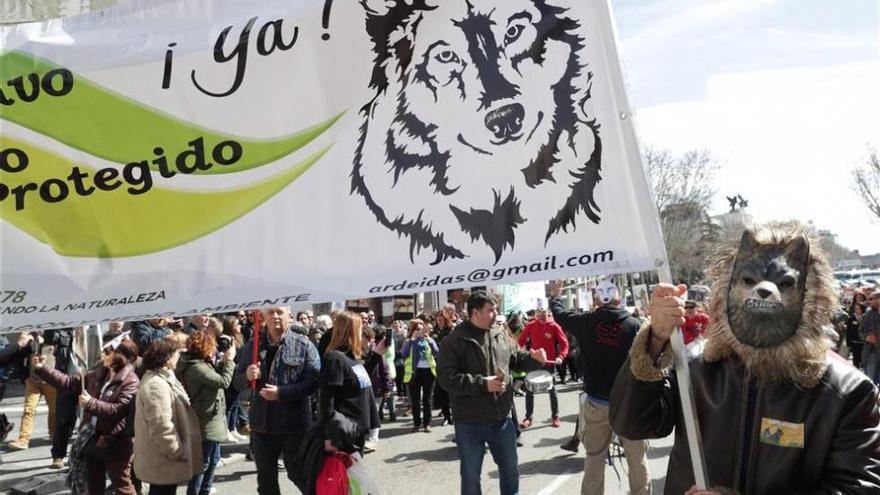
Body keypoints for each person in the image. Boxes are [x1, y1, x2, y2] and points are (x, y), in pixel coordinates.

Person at [610, 229, 880, 493]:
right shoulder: (695, 365)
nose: (764, 289)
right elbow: (631, 424)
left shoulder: (847, 392)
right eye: (748, 281)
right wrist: (655, 340)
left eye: (785, 283)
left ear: (810, 292)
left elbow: (858, 486)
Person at [437, 291, 547, 495]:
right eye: (491, 310)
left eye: (495, 309)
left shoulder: (501, 333)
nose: (496, 313)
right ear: (476, 313)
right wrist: (482, 384)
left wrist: (534, 358)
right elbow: (446, 378)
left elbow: (516, 359)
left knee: (510, 472)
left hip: (502, 418)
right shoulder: (454, 341)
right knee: (471, 479)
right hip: (469, 422)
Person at [549, 280, 649, 495]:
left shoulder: (586, 322)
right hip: (629, 404)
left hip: (597, 402)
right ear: (619, 299)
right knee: (636, 457)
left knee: (594, 457)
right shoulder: (635, 325)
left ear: (596, 301)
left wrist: (556, 295)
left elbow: (560, 315)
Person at [34, 335, 140, 495]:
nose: (103, 355)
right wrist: (43, 368)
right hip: (92, 439)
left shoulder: (130, 380)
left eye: (107, 352)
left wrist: (91, 403)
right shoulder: (98, 373)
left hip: (116, 442)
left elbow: (118, 410)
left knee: (122, 485)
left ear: (120, 357)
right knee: (93, 484)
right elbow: (69, 383)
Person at [233, 306, 320, 495]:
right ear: (263, 316)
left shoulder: (304, 344)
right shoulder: (253, 345)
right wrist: (247, 375)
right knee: (266, 483)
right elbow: (236, 382)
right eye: (270, 313)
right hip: (261, 426)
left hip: (294, 424)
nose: (275, 316)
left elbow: (314, 382)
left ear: (289, 316)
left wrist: (282, 392)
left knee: (300, 474)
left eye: (279, 312)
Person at [134, 337, 203, 495]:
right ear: (166, 358)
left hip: (163, 459)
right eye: (176, 353)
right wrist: (177, 451)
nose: (179, 356)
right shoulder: (156, 385)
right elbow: (161, 426)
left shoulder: (163, 378)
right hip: (163, 460)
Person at [176, 328, 236, 495]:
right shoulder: (195, 367)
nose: (214, 349)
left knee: (214, 459)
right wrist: (229, 360)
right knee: (203, 462)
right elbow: (223, 381)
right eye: (212, 346)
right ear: (204, 347)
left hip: (212, 417)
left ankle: (205, 489)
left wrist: (221, 362)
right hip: (205, 419)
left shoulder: (200, 362)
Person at [319, 311, 374, 455]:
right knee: (350, 476)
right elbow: (326, 401)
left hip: (356, 431)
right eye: (360, 328)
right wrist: (328, 436)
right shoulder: (335, 359)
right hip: (343, 433)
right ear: (351, 331)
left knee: (354, 476)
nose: (362, 332)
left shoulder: (351, 357)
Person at [517, 308, 568, 429]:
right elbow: (520, 341)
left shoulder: (554, 326)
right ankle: (528, 417)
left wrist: (561, 356)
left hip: (549, 363)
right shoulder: (530, 326)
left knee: (552, 389)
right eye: (539, 312)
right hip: (533, 362)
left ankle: (555, 416)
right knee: (529, 390)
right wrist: (518, 353)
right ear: (536, 313)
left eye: (544, 312)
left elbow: (565, 344)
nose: (541, 315)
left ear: (547, 312)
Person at [401, 319, 440, 433]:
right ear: (413, 330)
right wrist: (412, 340)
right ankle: (416, 423)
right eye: (418, 329)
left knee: (427, 400)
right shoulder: (409, 341)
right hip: (415, 373)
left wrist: (430, 340)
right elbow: (404, 353)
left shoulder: (429, 339)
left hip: (429, 372)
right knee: (415, 400)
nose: (421, 331)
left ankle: (427, 424)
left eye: (422, 329)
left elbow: (437, 353)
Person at [432, 309, 456, 426]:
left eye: (441, 320)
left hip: (451, 364)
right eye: (438, 320)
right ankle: (447, 415)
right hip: (438, 364)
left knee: (452, 391)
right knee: (442, 391)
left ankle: (455, 414)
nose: (439, 322)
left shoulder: (452, 330)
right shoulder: (434, 331)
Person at [861, 291, 880, 384]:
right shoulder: (867, 315)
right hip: (871, 352)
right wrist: (866, 337)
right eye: (870, 299)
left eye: (873, 299)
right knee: (870, 380)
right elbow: (860, 331)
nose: (870, 301)